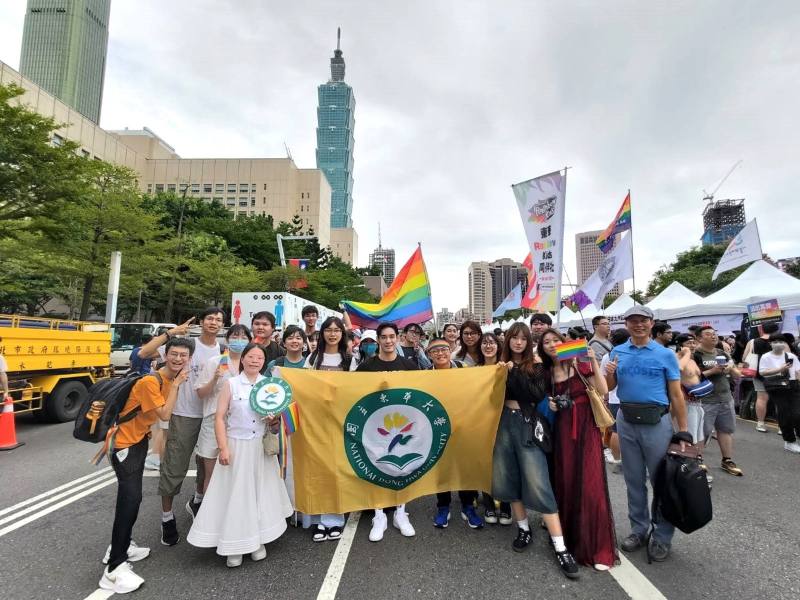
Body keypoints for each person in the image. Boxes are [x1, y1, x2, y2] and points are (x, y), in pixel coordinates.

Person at [98, 337, 192, 593]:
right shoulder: (152, 381)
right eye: (174, 354)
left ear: (189, 359)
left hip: (138, 441)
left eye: (183, 355)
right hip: (124, 445)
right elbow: (164, 414)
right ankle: (114, 569)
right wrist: (177, 386)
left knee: (132, 499)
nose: (178, 359)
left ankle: (122, 545)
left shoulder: (167, 379)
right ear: (166, 354)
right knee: (130, 500)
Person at [187, 343, 293, 567]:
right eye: (251, 357)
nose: (255, 361)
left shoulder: (270, 386)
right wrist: (223, 448)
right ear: (242, 359)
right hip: (236, 446)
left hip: (259, 449)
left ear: (264, 362)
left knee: (259, 493)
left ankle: (259, 540)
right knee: (235, 496)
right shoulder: (231, 384)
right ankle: (233, 545)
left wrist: (274, 421)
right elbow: (219, 417)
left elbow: (275, 423)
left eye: (260, 358)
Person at [491, 322, 580, 579]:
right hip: (503, 425)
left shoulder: (537, 365)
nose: (517, 342)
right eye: (513, 338)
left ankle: (560, 546)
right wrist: (498, 373)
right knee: (509, 479)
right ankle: (523, 529)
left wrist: (512, 372)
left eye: (523, 338)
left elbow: (533, 394)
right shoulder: (499, 365)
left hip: (527, 424)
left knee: (539, 481)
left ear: (528, 341)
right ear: (507, 340)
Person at [605, 305, 690, 562]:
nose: (638, 324)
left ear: (652, 324)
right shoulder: (618, 351)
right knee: (633, 480)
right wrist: (608, 374)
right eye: (633, 321)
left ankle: (662, 536)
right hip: (627, 421)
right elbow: (609, 388)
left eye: (643, 320)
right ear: (627, 324)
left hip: (657, 423)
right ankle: (638, 530)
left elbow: (676, 394)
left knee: (661, 481)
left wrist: (683, 431)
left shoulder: (665, 355)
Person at [137, 308, 224, 545]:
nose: (214, 322)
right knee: (174, 466)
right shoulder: (184, 346)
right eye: (210, 318)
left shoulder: (222, 350)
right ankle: (167, 518)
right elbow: (144, 353)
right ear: (202, 322)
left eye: (218, 320)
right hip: (182, 414)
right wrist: (170, 332)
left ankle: (197, 501)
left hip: (210, 416)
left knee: (207, 466)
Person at [538, 328, 617, 570]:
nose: (551, 344)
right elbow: (543, 402)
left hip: (586, 428)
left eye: (555, 340)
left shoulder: (580, 363)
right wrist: (551, 405)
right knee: (566, 482)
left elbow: (603, 391)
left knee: (591, 485)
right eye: (546, 342)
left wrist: (592, 358)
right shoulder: (548, 373)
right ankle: (568, 539)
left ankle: (597, 548)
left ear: (564, 343)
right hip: (562, 430)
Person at [356, 322, 418, 542]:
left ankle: (401, 513)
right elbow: (353, 391)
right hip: (375, 427)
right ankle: (379, 514)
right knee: (377, 464)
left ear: (398, 338)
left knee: (403, 468)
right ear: (379, 340)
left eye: (392, 336)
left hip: (402, 425)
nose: (388, 341)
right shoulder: (366, 367)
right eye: (384, 337)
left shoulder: (409, 365)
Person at [425, 338, 484, 529]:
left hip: (464, 425)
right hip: (438, 427)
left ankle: (468, 506)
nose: (440, 353)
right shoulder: (422, 375)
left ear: (450, 350)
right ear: (429, 355)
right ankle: (443, 507)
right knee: (442, 468)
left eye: (443, 349)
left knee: (466, 466)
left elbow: (479, 387)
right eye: (435, 351)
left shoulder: (463, 368)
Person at [303, 316, 352, 542]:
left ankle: (335, 518)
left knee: (336, 469)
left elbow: (356, 390)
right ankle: (317, 518)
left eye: (337, 330)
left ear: (342, 334)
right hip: (315, 421)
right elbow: (303, 386)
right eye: (328, 330)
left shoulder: (350, 360)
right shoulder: (313, 358)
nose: (332, 334)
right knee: (317, 469)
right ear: (322, 333)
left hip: (340, 421)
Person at [195, 325, 252, 499]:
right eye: (235, 336)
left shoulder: (250, 363)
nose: (239, 340)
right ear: (227, 339)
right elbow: (200, 393)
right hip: (213, 421)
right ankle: (207, 518)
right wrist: (215, 378)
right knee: (211, 475)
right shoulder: (216, 361)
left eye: (243, 337)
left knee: (234, 473)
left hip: (238, 424)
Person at [692, 326, 743, 477]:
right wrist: (712, 371)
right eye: (708, 334)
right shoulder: (696, 355)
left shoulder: (722, 353)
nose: (713, 337)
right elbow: (692, 378)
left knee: (725, 430)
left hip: (725, 397)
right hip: (705, 399)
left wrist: (731, 368)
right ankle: (697, 460)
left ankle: (727, 460)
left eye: (714, 334)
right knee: (703, 431)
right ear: (699, 338)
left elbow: (737, 375)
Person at [476, 332, 513, 525]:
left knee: (504, 464)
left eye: (492, 343)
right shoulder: (474, 370)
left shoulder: (506, 366)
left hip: (504, 420)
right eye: (484, 343)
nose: (488, 346)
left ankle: (505, 505)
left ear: (499, 346)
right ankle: (489, 504)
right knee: (485, 463)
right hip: (481, 422)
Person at [757, 334, 800, 453]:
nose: (778, 344)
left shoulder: (791, 356)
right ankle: (789, 441)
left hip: (793, 386)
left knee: (797, 413)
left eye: (781, 341)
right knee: (784, 413)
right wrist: (780, 369)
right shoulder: (766, 357)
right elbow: (763, 372)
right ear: (770, 343)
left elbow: (797, 371)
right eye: (774, 341)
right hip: (777, 387)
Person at [600, 329, 630, 469]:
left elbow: (603, 379)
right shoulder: (630, 354)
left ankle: (617, 458)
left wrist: (605, 399)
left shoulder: (608, 356)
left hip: (613, 398)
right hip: (627, 398)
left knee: (616, 430)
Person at [743, 322, 780, 432]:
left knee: (761, 398)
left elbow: (745, 358)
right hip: (777, 373)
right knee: (779, 399)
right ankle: (782, 426)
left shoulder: (753, 342)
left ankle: (760, 423)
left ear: (761, 329)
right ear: (776, 330)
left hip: (759, 373)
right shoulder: (780, 341)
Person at [675, 334, 708, 449]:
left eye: (694, 343)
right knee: (688, 435)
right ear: (680, 345)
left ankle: (696, 459)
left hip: (698, 402)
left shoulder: (693, 360)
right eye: (689, 343)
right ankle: (687, 461)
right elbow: (676, 373)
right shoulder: (676, 358)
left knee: (698, 435)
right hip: (685, 403)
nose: (692, 345)